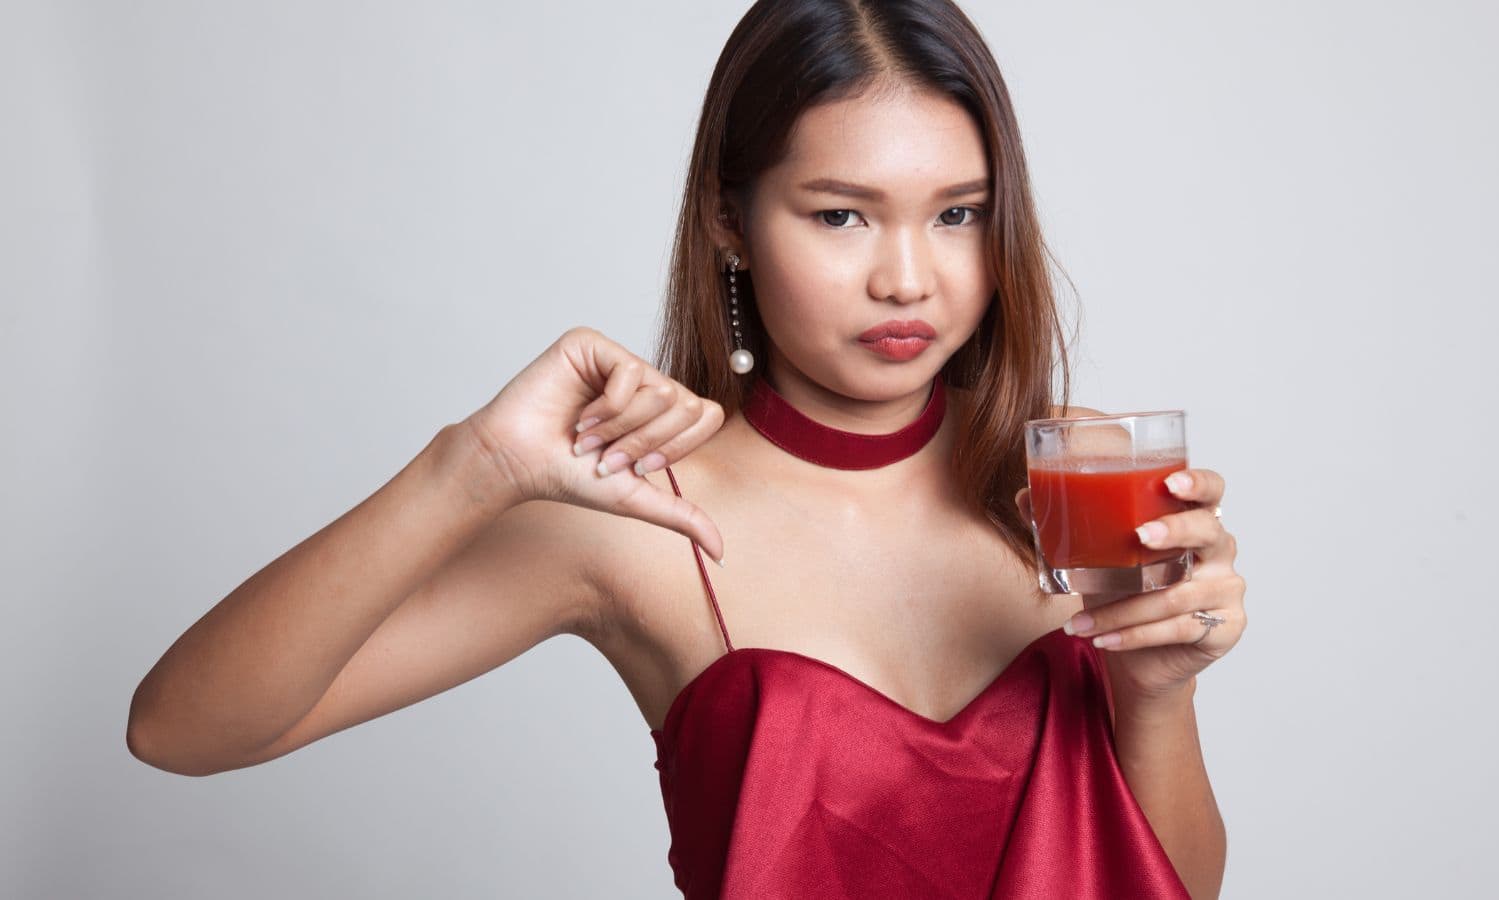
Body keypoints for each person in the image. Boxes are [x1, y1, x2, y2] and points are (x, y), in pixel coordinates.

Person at [127, 0, 1247, 897]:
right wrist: (466, 467)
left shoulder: (1066, 480)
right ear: (728, 219)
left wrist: (1157, 694)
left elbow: (1166, 886)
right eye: (840, 214)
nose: (909, 277)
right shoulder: (631, 518)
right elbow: (181, 730)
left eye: (957, 213)